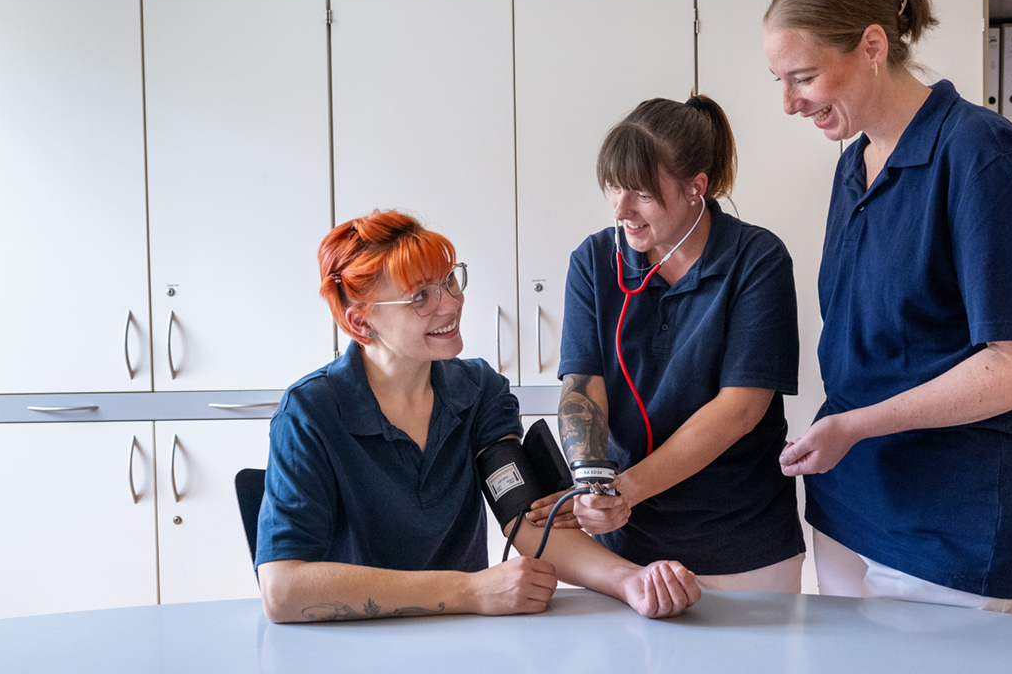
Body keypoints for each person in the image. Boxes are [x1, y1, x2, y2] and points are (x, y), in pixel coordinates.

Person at [762, 0, 1012, 615]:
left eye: (805, 77)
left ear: (873, 46)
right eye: (780, 81)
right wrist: (845, 433)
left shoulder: (978, 153)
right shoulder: (856, 164)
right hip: (854, 497)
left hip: (956, 512)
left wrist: (857, 424)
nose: (789, 102)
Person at [254, 209, 701, 623]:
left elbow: (522, 516)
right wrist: (468, 590)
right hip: (354, 646)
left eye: (450, 280)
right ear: (360, 323)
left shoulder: (477, 390)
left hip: (460, 639)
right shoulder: (310, 413)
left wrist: (629, 580)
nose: (450, 304)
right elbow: (282, 589)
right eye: (420, 297)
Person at [542, 95, 805, 593]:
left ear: (695, 188)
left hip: (739, 545)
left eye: (640, 193)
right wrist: (591, 484)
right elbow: (582, 386)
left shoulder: (756, 259)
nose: (621, 209)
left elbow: (741, 409)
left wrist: (625, 490)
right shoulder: (595, 260)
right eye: (615, 188)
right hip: (622, 548)